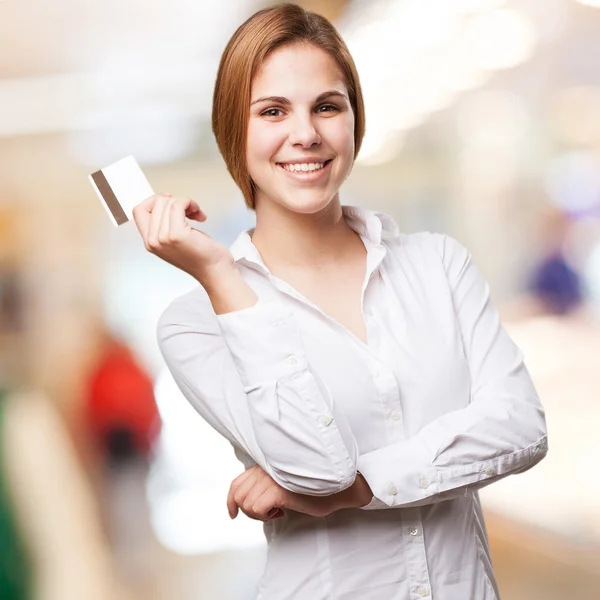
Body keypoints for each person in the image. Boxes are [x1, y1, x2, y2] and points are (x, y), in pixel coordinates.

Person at [132, 4, 548, 599]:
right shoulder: (197, 322)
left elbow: (521, 427)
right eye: (273, 111)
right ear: (235, 131)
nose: (306, 133)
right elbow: (316, 469)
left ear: (354, 120)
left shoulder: (437, 265)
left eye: (327, 106)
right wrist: (221, 274)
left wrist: (360, 486)